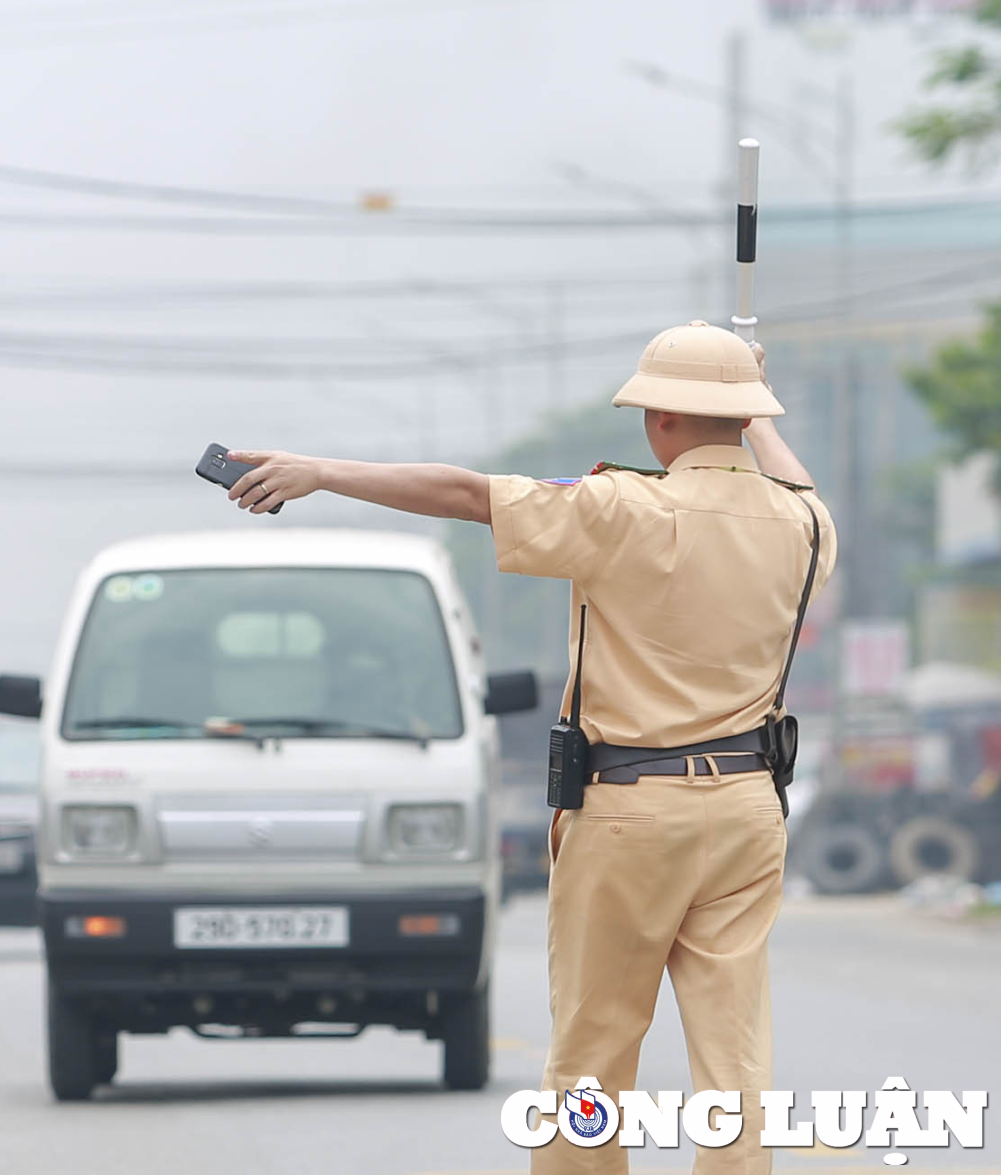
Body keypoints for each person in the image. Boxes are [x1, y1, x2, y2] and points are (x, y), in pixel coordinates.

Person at [224, 322, 835, 1175]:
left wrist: (322, 472)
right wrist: (756, 413)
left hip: (630, 814)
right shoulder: (801, 524)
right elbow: (798, 483)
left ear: (657, 418)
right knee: (735, 1060)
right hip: (745, 810)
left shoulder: (620, 509)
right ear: (745, 418)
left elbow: (468, 495)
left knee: (593, 1054)